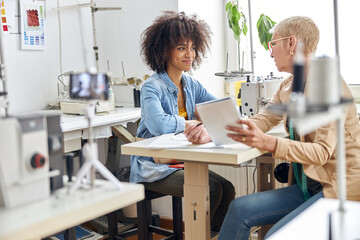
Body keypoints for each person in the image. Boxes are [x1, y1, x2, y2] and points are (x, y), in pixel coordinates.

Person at [185, 16, 360, 239]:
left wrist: (269, 142)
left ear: (291, 43)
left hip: (340, 189)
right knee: (239, 210)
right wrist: (212, 133)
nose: (270, 52)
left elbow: (321, 152)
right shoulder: (288, 85)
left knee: (276, 235)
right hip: (309, 188)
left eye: (273, 44)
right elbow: (264, 118)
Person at [129, 11, 235, 233]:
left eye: (193, 47)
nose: (190, 54)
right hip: (153, 166)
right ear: (164, 50)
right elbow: (158, 125)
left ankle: (213, 236)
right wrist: (192, 123)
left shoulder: (190, 84)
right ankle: (200, 235)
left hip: (180, 158)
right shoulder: (151, 87)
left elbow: (221, 111)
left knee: (227, 188)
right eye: (181, 48)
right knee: (213, 189)